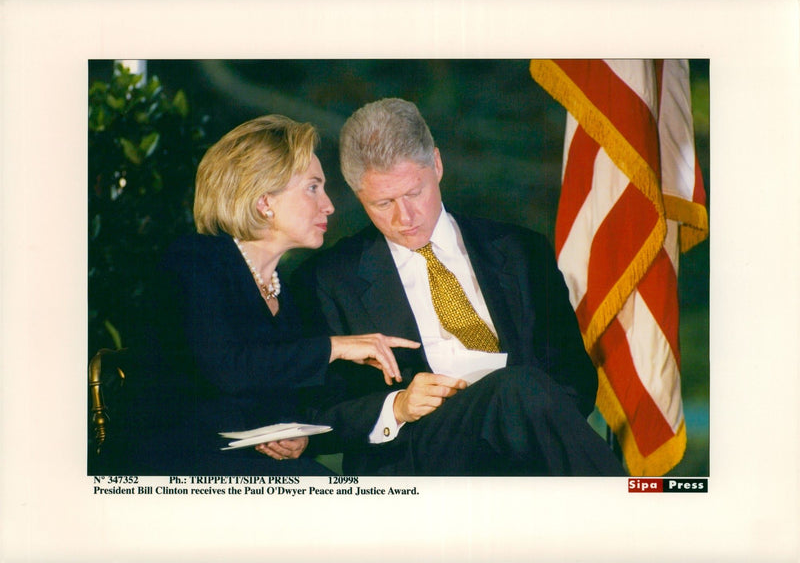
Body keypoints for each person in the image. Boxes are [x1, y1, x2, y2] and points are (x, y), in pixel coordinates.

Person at [296, 98, 626, 476]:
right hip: (418, 456)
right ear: (358, 196)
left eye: (414, 193)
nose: (404, 218)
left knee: (518, 390)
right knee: (518, 387)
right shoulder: (328, 280)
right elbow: (314, 421)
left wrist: (515, 419)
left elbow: (575, 379)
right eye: (383, 202)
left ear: (436, 164)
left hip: (525, 445)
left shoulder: (520, 250)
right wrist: (398, 406)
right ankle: (628, 504)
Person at [118, 114, 418, 475]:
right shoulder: (197, 260)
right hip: (174, 466)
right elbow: (228, 368)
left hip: (243, 465)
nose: (329, 205)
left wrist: (293, 435)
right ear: (264, 202)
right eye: (313, 187)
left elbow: (280, 389)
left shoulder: (281, 289)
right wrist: (335, 347)